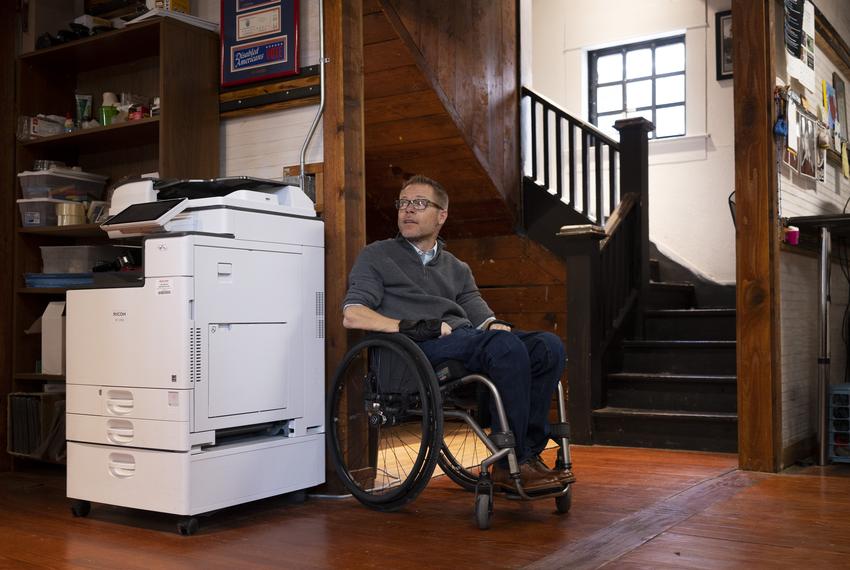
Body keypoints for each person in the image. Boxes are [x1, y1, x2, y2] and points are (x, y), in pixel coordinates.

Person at [342, 174, 574, 492]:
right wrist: (409, 326)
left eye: (419, 203)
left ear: (441, 216)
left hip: (465, 340)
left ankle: (528, 454)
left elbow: (480, 314)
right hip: (417, 349)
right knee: (503, 348)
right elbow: (353, 314)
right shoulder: (377, 256)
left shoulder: (456, 267)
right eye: (404, 203)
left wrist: (495, 325)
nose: (408, 210)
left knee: (548, 346)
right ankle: (512, 462)